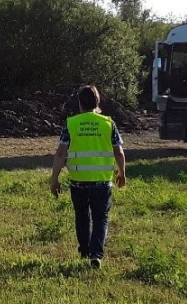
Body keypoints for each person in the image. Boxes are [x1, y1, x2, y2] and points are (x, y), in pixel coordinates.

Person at [50, 85, 126, 269]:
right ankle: (96, 254)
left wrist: (54, 179)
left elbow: (61, 153)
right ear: (97, 102)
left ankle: (84, 250)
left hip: (79, 181)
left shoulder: (71, 124)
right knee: (101, 218)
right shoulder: (108, 123)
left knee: (82, 217)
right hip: (102, 181)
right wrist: (122, 172)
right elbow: (119, 152)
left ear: (79, 103)